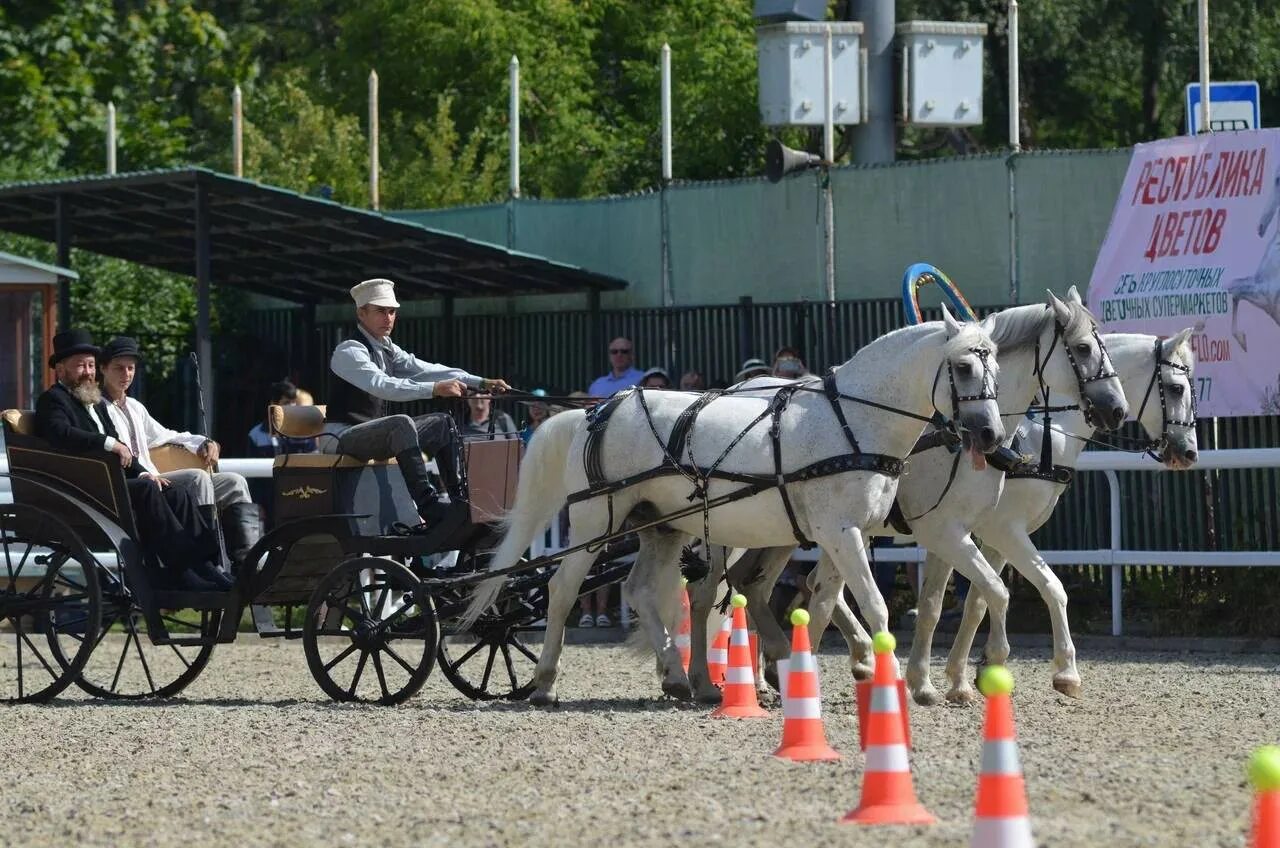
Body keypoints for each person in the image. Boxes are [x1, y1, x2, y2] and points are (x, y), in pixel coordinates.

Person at [34, 330, 228, 591]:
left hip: (109, 484)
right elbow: (62, 433)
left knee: (173, 491)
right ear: (60, 370)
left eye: (91, 365)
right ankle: (182, 571)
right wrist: (108, 443)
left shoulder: (94, 403)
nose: (88, 372)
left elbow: (125, 449)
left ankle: (206, 565)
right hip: (85, 490)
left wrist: (144, 472)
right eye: (80, 365)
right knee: (148, 490)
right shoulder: (53, 400)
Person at [325, 278, 510, 531]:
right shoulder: (349, 351)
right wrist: (435, 389)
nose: (388, 318)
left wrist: (481, 381)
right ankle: (429, 506)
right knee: (401, 424)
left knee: (442, 423)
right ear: (361, 312)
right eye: (380, 311)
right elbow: (382, 385)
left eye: (392, 311)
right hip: (341, 436)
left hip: (371, 435)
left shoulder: (387, 349)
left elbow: (427, 370)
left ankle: (459, 501)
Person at [99, 336, 262, 571]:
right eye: (119, 368)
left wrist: (202, 442)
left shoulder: (135, 407)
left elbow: (166, 435)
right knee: (197, 478)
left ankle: (246, 563)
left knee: (235, 482)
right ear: (103, 369)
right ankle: (210, 563)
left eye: (131, 368)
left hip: (158, 480)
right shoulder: (99, 409)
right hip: (139, 485)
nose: (126, 374)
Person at [247, 380, 317, 457]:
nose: (291, 407)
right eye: (286, 402)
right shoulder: (256, 434)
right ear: (273, 404)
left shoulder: (306, 432)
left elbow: (313, 463)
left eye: (293, 402)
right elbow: (252, 466)